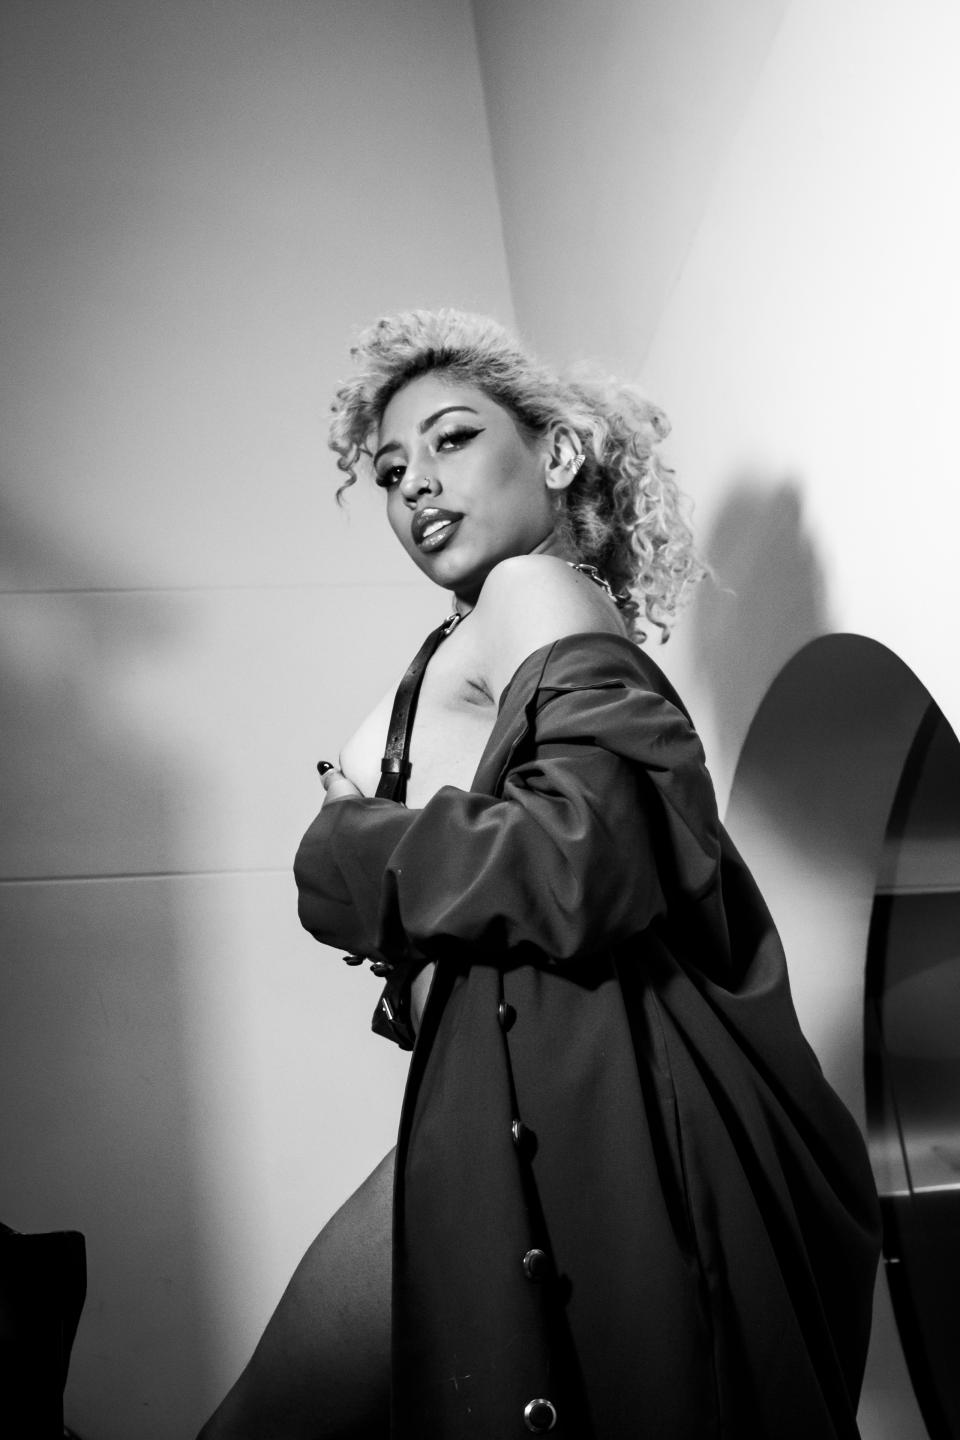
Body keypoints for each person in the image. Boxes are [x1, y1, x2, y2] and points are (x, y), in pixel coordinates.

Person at [198, 310, 881, 1439]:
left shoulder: (534, 589)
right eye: (390, 471)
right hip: (500, 1100)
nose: (417, 483)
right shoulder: (472, 630)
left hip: (570, 1107)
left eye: (454, 438)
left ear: (556, 454)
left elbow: (590, 852)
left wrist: (343, 850)